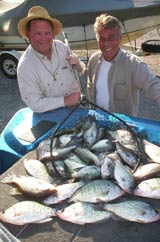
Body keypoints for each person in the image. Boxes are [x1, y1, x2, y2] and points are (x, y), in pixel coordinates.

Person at [87, 13, 160, 116]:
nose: (106, 43)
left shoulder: (133, 64)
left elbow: (153, 86)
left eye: (111, 37)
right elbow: (90, 91)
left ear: (120, 38)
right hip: (97, 124)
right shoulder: (93, 61)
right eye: (102, 38)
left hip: (123, 127)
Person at [17, 6, 86, 113]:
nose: (43, 38)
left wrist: (78, 65)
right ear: (28, 34)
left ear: (53, 34)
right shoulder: (24, 66)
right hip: (49, 116)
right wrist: (65, 101)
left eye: (47, 33)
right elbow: (34, 104)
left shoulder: (62, 47)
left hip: (78, 108)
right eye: (38, 33)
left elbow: (81, 70)